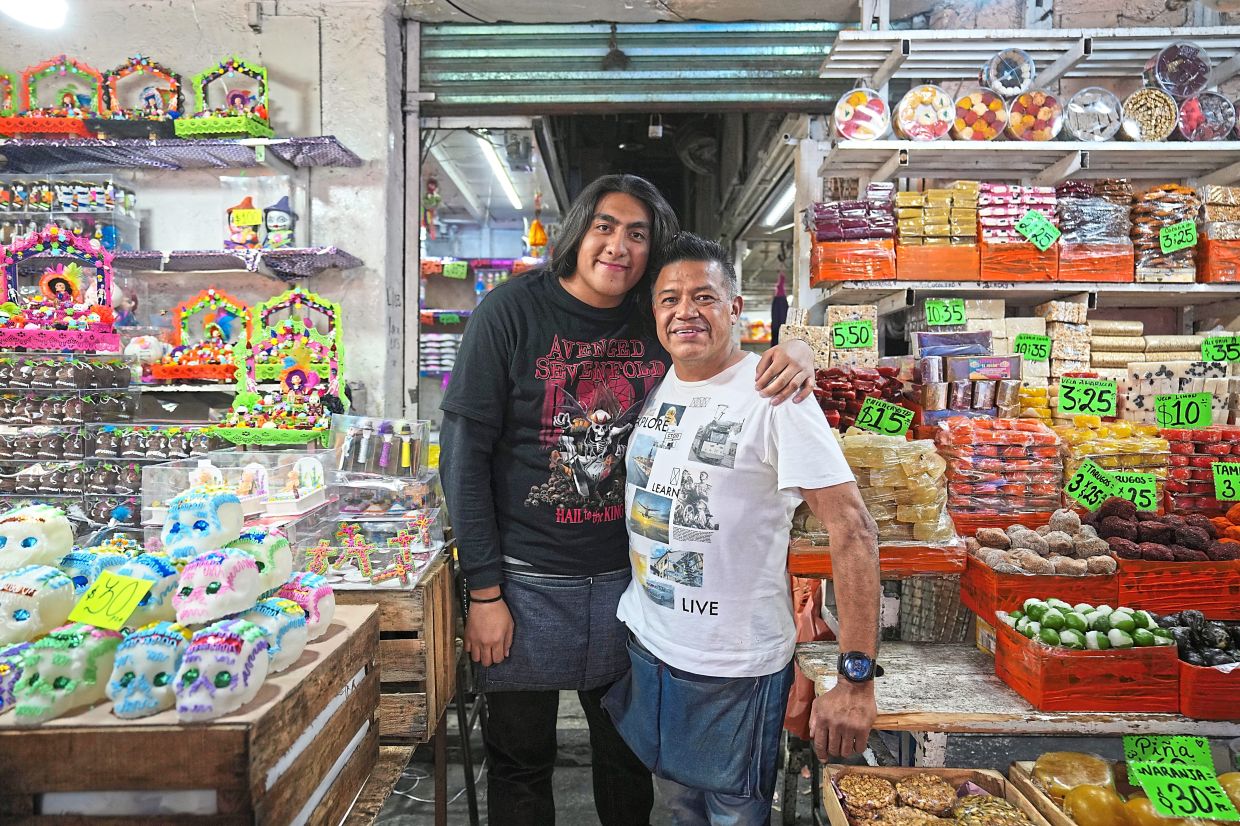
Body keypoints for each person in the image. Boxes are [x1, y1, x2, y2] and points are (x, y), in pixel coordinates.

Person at [439, 174, 817, 826]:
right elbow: (462, 457)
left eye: (637, 234)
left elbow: (722, 348)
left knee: (627, 762)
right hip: (525, 585)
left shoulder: (655, 313)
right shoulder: (511, 311)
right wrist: (485, 592)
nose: (618, 246)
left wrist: (798, 348)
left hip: (630, 588)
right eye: (605, 226)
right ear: (578, 231)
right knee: (520, 763)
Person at [603, 233, 881, 825]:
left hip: (736, 667)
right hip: (651, 648)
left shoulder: (775, 394)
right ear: (654, 314)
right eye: (670, 299)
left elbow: (854, 530)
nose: (685, 311)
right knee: (676, 808)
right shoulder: (659, 384)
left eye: (704, 297)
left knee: (734, 814)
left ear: (734, 308)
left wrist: (855, 680)